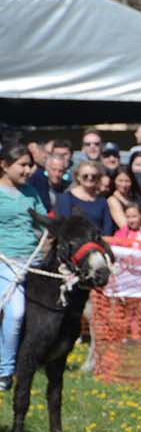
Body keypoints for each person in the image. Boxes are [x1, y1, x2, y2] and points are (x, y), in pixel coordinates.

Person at [0, 145, 46, 391]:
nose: (28, 170)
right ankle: (5, 372)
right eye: (23, 165)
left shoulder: (31, 192)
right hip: (5, 263)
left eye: (30, 165)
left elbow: (44, 222)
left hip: (33, 261)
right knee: (16, 313)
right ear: (4, 165)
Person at [54, 160, 115, 235]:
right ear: (78, 177)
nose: (90, 178)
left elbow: (108, 228)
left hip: (97, 242)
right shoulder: (66, 198)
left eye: (94, 176)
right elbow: (65, 225)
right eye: (85, 176)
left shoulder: (102, 201)